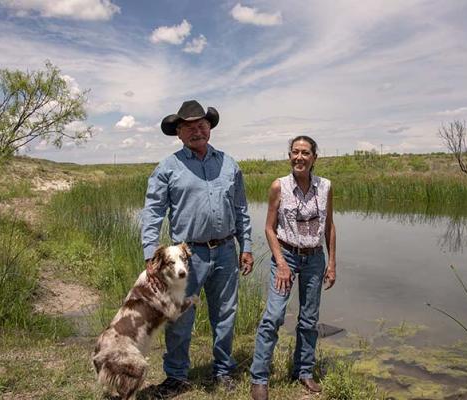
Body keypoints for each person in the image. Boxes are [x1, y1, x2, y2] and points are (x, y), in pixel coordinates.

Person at [141, 100, 254, 396]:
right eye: (189, 126)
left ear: (210, 128)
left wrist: (247, 246)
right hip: (185, 257)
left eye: (202, 124)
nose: (197, 130)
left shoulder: (229, 164)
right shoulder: (168, 168)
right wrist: (150, 257)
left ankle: (223, 371)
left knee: (225, 314)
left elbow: (241, 209)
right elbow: (153, 213)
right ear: (178, 132)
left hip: (227, 251)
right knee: (179, 318)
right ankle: (177, 376)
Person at [249, 135, 336, 400]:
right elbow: (268, 228)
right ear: (289, 156)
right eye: (295, 152)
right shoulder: (279, 187)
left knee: (309, 319)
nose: (300, 157)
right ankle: (259, 378)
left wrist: (331, 262)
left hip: (314, 257)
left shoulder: (325, 187)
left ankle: (304, 371)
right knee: (273, 316)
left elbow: (329, 225)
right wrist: (282, 263)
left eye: (305, 153)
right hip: (286, 254)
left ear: (314, 158)